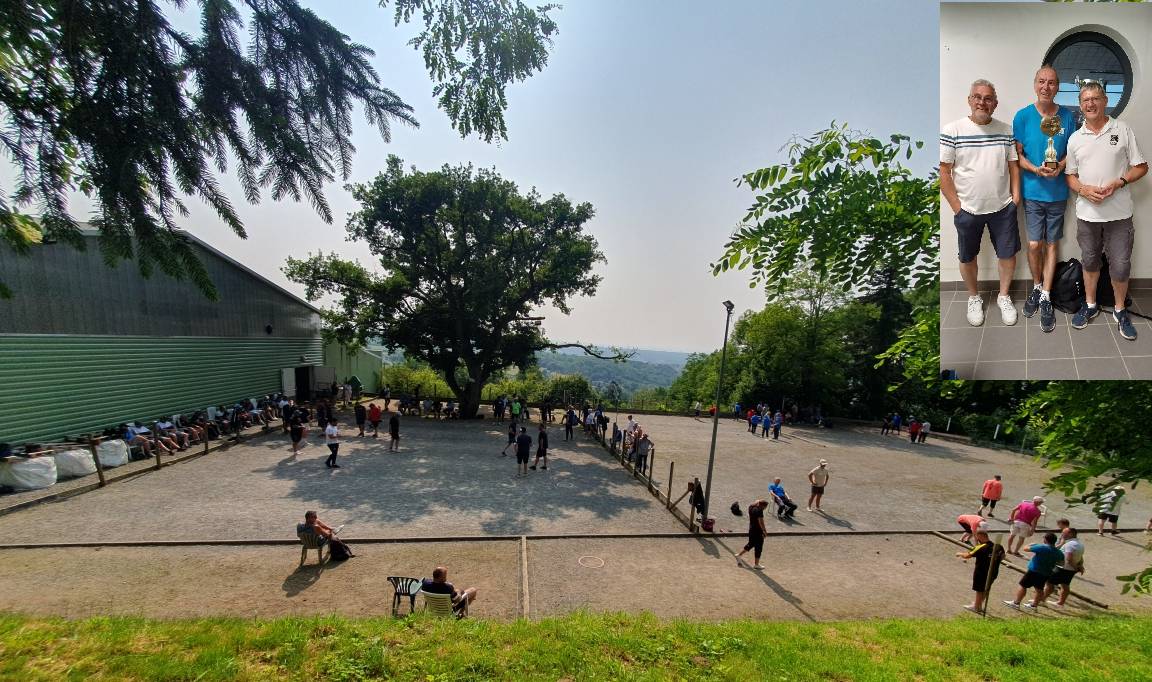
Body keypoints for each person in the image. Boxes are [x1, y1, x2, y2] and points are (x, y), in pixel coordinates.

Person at [1066, 80, 1149, 340]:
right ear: (1080, 106)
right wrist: (1083, 190)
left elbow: (1141, 166)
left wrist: (1120, 181)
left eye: (1095, 99)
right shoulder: (1075, 138)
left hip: (1120, 214)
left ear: (1105, 101)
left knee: (1121, 266)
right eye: (1085, 100)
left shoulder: (1122, 130)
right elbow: (1070, 176)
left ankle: (1120, 309)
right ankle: (1090, 305)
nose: (1090, 104)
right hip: (1087, 215)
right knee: (1090, 261)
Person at [940, 78, 1022, 327]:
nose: (982, 102)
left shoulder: (1006, 130)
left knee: (1007, 255)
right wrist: (957, 207)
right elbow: (944, 172)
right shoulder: (952, 130)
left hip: (1002, 208)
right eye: (977, 97)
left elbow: (1013, 166)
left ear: (995, 104)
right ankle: (974, 298)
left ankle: (1004, 296)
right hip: (968, 210)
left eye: (988, 98)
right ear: (969, 100)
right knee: (967, 257)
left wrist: (1015, 198)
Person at [1014, 65, 1078, 333]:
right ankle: (1037, 286)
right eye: (1042, 81)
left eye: (1051, 82)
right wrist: (1035, 169)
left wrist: (1060, 166)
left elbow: (1073, 152)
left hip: (1057, 193)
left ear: (1057, 86)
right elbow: (1017, 156)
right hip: (1032, 192)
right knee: (1033, 244)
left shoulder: (1068, 117)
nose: (1046, 87)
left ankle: (1046, 296)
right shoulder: (1023, 116)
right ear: (1035, 84)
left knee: (1052, 244)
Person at [1004, 532, 1061, 610]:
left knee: (1023, 586)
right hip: (1046, 573)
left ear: (1046, 540)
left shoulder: (1042, 547)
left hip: (1034, 571)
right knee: (1039, 589)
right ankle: (1034, 605)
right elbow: (1061, 562)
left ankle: (1016, 603)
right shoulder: (1059, 552)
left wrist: (1031, 544)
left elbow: (1025, 549)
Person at [955, 529, 1005, 614]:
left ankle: (976, 607)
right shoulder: (999, 546)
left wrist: (959, 554)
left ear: (980, 536)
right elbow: (1003, 556)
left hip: (981, 572)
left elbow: (968, 555)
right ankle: (979, 605)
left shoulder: (981, 547)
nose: (976, 539)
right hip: (994, 572)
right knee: (986, 589)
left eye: (977, 537)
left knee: (979, 590)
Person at [1043, 527, 1085, 607]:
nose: (1062, 534)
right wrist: (1079, 566)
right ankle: (1060, 603)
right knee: (1065, 585)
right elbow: (1080, 556)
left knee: (1050, 584)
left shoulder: (1070, 544)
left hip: (1062, 568)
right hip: (1070, 569)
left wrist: (1076, 567)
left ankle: (1041, 599)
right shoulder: (1080, 544)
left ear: (1071, 534)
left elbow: (1068, 558)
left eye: (1064, 533)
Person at [734, 499, 769, 570]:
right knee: (758, 548)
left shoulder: (751, 507)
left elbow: (757, 500)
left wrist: (758, 501)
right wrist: (764, 531)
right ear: (763, 506)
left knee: (751, 544)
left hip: (752, 529)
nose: (765, 509)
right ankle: (756, 564)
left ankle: (739, 555)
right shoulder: (760, 510)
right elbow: (761, 522)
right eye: (765, 507)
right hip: (758, 531)